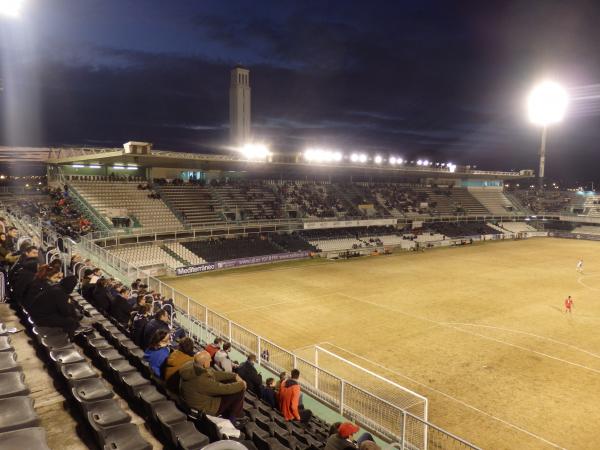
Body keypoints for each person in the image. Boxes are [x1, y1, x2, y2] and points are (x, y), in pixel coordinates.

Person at [179, 350, 246, 422]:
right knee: (238, 390)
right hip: (205, 407)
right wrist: (242, 384)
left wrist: (233, 375)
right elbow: (224, 389)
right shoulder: (201, 379)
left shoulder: (192, 366)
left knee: (231, 382)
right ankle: (235, 418)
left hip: (196, 400)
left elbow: (214, 374)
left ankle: (233, 412)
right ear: (204, 364)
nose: (211, 360)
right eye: (209, 359)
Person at [28, 270, 84, 336]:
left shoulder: (57, 287)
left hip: (36, 312)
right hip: (40, 317)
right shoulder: (60, 293)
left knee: (70, 313)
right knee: (70, 321)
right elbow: (65, 312)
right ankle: (68, 339)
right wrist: (73, 313)